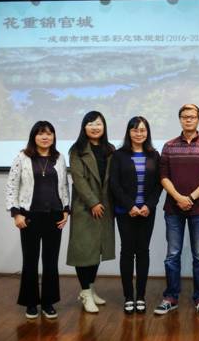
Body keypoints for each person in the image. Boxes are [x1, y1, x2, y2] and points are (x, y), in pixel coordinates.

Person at [154, 104, 199, 317]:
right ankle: (171, 297)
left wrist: (190, 198)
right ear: (180, 119)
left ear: (198, 119)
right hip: (173, 209)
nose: (188, 119)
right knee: (172, 254)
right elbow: (163, 176)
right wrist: (179, 198)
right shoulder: (169, 146)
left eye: (192, 116)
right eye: (185, 116)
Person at [6, 121, 69, 320]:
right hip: (29, 217)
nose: (45, 137)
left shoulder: (59, 158)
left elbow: (64, 186)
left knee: (51, 262)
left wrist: (66, 210)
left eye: (49, 134)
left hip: (54, 216)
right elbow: (11, 186)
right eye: (41, 133)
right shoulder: (22, 157)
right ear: (34, 136)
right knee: (30, 261)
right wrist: (16, 213)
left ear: (54, 137)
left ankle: (48, 303)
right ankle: (31, 302)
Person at [110, 116, 162, 314]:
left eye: (142, 130)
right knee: (127, 251)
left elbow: (159, 184)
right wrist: (130, 205)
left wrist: (149, 205)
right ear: (129, 132)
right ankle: (128, 297)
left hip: (147, 212)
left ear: (147, 132)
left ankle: (140, 296)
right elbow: (114, 184)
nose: (139, 133)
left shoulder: (154, 155)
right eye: (135, 130)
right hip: (126, 212)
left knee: (143, 252)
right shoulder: (119, 155)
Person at [67, 111, 116, 313]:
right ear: (84, 127)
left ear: (104, 127)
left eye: (98, 123)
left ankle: (90, 288)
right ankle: (85, 292)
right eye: (90, 124)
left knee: (97, 250)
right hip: (85, 208)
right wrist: (93, 202)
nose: (95, 127)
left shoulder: (110, 149)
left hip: (106, 208)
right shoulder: (77, 150)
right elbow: (78, 179)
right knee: (83, 251)